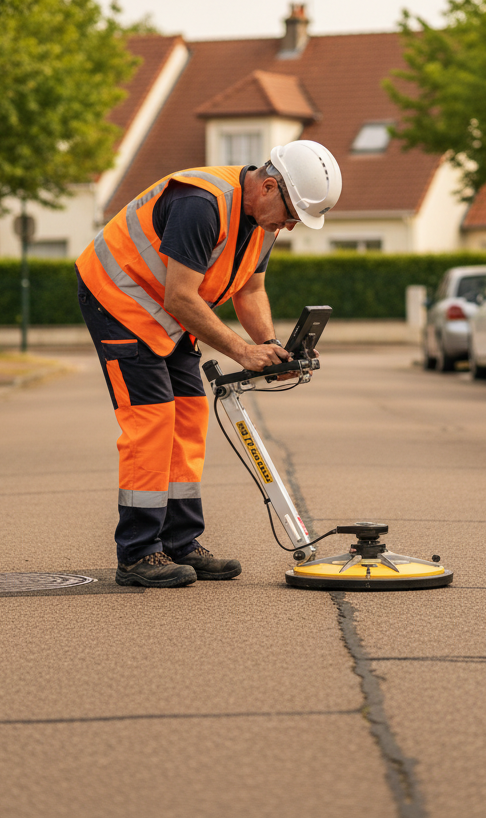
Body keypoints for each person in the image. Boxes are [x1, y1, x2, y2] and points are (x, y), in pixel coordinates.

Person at [75, 140, 343, 588]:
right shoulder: (201, 203)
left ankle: (181, 543)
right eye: (292, 215)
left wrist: (271, 348)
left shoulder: (263, 222)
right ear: (269, 186)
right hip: (118, 301)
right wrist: (241, 351)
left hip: (170, 314)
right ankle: (139, 554)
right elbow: (180, 294)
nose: (291, 227)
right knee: (153, 419)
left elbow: (250, 291)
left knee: (190, 416)